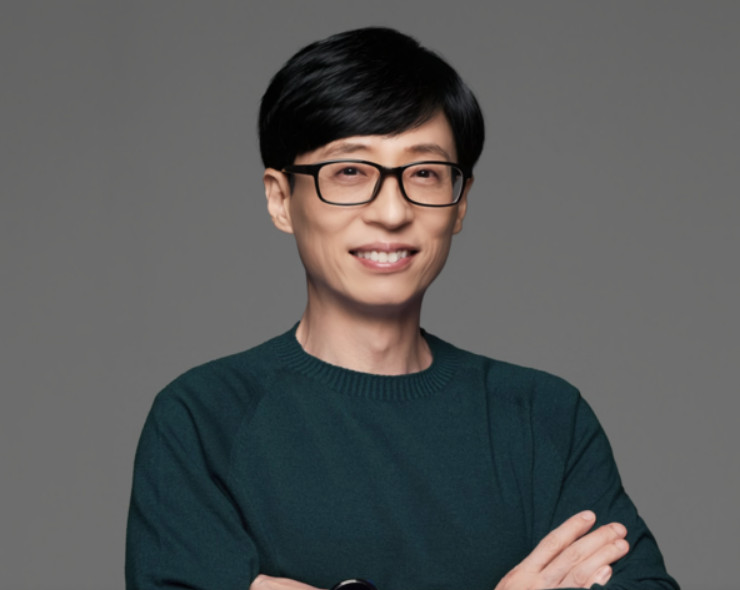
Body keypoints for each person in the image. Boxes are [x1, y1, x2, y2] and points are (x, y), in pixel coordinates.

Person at [125, 27, 679, 590]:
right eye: (349, 172)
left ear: (460, 204)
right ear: (280, 198)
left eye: (424, 174)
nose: (391, 212)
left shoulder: (543, 417)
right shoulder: (202, 420)